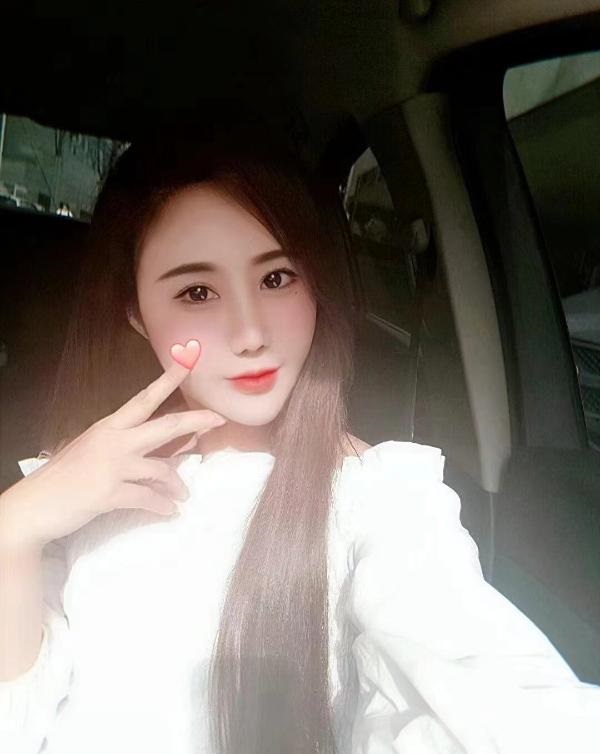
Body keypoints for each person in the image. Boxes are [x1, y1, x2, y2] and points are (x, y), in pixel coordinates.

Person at [0, 123, 599, 754]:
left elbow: (481, 686)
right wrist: (16, 525)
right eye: (197, 292)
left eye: (277, 278)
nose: (250, 333)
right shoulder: (79, 485)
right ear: (136, 313)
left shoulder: (379, 496)